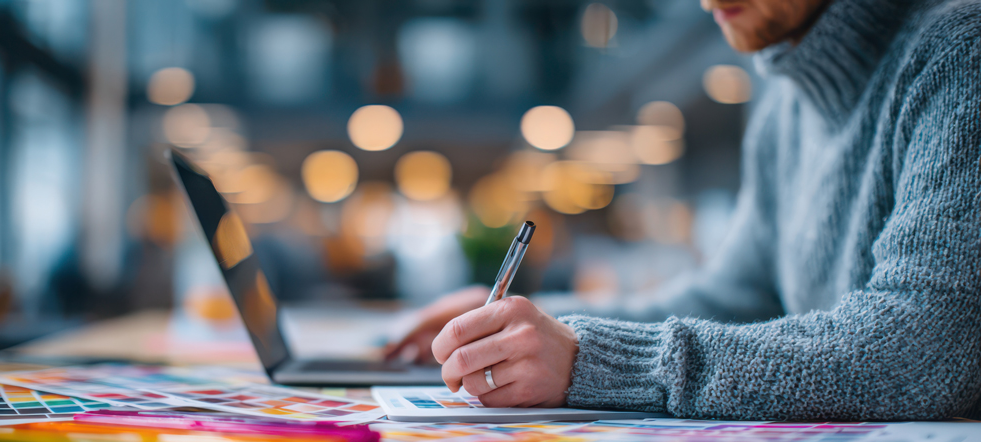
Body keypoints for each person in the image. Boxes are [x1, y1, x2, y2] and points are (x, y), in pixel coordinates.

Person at [386, 0, 981, 420]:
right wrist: (529, 323)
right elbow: (730, 299)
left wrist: (594, 362)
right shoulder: (782, 106)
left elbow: (924, 346)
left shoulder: (960, 52)